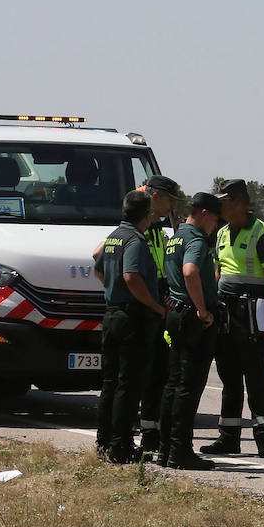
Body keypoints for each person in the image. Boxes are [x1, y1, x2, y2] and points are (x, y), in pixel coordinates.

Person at [201, 179, 264, 458]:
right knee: (229, 377)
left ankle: (263, 438)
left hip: (251, 316)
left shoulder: (263, 234)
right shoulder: (222, 232)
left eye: (223, 200)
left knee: (256, 377)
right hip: (226, 313)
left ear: (238, 201)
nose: (219, 206)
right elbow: (219, 271)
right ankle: (228, 438)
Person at [94, 189, 168, 463]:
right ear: (148, 215)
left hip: (112, 315)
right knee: (129, 384)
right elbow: (131, 276)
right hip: (132, 318)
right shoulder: (136, 240)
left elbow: (98, 269)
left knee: (111, 383)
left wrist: (114, 289)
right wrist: (154, 306)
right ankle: (121, 446)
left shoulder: (113, 237)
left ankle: (104, 443)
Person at [156, 191, 223, 470]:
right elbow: (190, 272)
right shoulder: (195, 239)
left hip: (175, 313)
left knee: (174, 383)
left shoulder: (175, 238)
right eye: (215, 220)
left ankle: (166, 449)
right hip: (192, 318)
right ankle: (180, 451)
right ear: (205, 214)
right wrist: (203, 309)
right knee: (189, 386)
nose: (215, 227)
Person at [136, 174, 185, 455]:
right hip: (145, 301)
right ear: (155, 197)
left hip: (160, 296)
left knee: (160, 373)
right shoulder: (139, 228)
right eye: (170, 200)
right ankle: (145, 432)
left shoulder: (157, 230)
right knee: (145, 373)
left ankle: (152, 433)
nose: (173, 206)